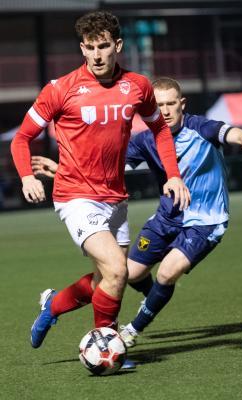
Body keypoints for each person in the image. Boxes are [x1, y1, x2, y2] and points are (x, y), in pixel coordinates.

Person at [11, 11, 190, 367]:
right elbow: (21, 138)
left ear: (117, 46)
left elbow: (160, 131)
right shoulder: (59, 89)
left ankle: (53, 305)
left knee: (105, 280)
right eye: (90, 47)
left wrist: (173, 174)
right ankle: (106, 347)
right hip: (75, 196)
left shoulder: (137, 86)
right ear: (82, 48)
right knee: (117, 270)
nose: (96, 54)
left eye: (103, 46)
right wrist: (26, 176)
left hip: (115, 197)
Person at [32, 77, 242, 349]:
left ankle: (131, 330)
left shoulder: (199, 127)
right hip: (166, 219)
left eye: (171, 104)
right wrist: (62, 170)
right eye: (159, 104)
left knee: (167, 273)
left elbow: (227, 132)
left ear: (182, 104)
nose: (165, 111)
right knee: (119, 275)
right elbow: (104, 169)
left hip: (205, 222)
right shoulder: (145, 140)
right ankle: (55, 304)